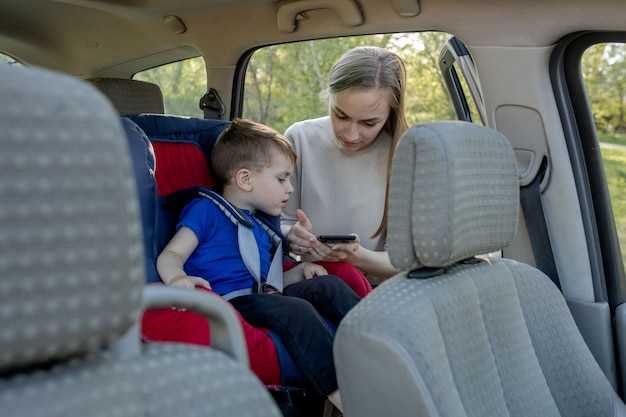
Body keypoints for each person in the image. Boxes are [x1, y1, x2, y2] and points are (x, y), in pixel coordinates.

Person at [156, 118, 359, 410]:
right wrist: (178, 281)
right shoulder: (206, 210)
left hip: (262, 299)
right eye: (281, 179)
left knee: (327, 286)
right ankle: (342, 396)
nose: (289, 189)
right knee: (296, 309)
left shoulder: (261, 226)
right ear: (245, 179)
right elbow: (171, 256)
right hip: (230, 302)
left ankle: (380, 345)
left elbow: (268, 282)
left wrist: (301, 272)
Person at [282, 46, 409, 283]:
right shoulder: (299, 138)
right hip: (312, 284)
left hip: (375, 291)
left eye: (369, 123)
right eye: (340, 116)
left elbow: (404, 262)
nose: (351, 135)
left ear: (391, 112)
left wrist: (357, 257)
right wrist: (291, 234)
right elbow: (281, 221)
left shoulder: (404, 153)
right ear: (329, 97)